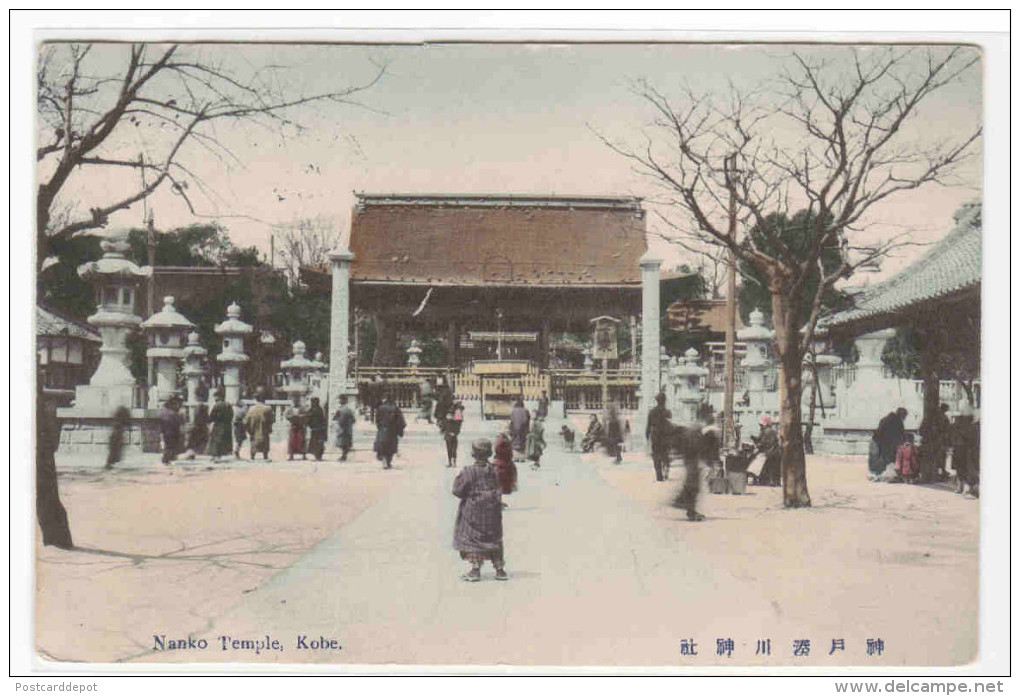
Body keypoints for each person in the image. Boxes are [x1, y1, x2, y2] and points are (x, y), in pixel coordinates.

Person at [452, 438, 508, 582]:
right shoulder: (495, 470)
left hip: (473, 511)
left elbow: (457, 490)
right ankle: (500, 569)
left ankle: (475, 570)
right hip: (492, 509)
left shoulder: (468, 471)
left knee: (472, 538)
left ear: (473, 454)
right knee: (494, 536)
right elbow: (501, 487)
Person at [672, 416, 708, 522]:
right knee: (693, 485)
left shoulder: (693, 430)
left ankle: (686, 506)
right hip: (691, 460)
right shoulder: (695, 431)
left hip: (691, 460)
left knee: (692, 485)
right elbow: (695, 447)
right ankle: (689, 509)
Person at [951, 404, 979, 497]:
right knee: (963, 469)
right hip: (962, 449)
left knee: (967, 469)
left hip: (965, 450)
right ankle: (965, 489)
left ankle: (970, 490)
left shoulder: (970, 427)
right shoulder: (970, 426)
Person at [374, 393, 406, 469]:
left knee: (383, 446)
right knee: (391, 448)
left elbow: (377, 420)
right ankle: (388, 462)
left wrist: (379, 427)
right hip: (392, 431)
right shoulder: (395, 408)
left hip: (383, 429)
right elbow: (401, 421)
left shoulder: (380, 408)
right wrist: (400, 431)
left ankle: (384, 460)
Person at [646, 392, 673, 482]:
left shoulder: (652, 412)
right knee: (665, 454)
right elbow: (671, 424)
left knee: (656, 455)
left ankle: (659, 475)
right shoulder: (667, 412)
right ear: (664, 401)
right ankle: (666, 470)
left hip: (655, 435)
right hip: (665, 435)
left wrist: (647, 435)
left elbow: (649, 425)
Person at [244, 389, 275, 461]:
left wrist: (248, 428)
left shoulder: (251, 409)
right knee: (265, 440)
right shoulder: (267, 408)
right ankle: (265, 456)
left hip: (254, 428)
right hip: (264, 428)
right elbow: (272, 420)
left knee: (254, 441)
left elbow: (246, 420)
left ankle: (252, 456)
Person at [207, 389, 234, 462]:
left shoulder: (217, 405)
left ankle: (215, 456)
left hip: (218, 425)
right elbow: (231, 415)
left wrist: (209, 422)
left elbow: (212, 416)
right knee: (223, 440)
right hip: (227, 425)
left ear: (218, 397)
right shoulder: (228, 405)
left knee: (216, 441)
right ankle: (220, 455)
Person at [755, 416, 781, 486]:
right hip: (776, 452)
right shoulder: (773, 431)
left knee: (760, 463)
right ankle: (775, 481)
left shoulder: (765, 431)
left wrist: (757, 444)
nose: (760, 426)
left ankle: (764, 480)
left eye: (761, 425)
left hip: (769, 452)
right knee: (774, 468)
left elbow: (763, 443)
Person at [159, 396, 185, 465]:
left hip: (166, 431)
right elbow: (178, 423)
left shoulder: (164, 411)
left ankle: (168, 458)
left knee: (168, 445)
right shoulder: (172, 413)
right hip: (172, 432)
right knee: (170, 446)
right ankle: (167, 459)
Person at [493, 431, 518, 500]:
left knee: (497, 486)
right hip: (507, 467)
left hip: (499, 467)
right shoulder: (508, 446)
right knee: (501, 486)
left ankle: (498, 500)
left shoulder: (499, 446)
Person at [332, 395, 356, 461]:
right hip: (347, 428)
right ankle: (344, 455)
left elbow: (335, 418)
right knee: (345, 443)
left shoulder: (340, 409)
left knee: (342, 442)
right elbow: (353, 420)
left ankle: (343, 456)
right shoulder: (348, 409)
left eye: (340, 400)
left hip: (342, 428)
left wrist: (338, 423)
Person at [442, 401, 465, 467]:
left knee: (451, 448)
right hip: (451, 433)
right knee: (452, 448)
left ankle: (451, 462)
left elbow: (457, 424)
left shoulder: (457, 413)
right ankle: (452, 462)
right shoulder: (457, 413)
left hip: (451, 433)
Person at [285, 396, 307, 461]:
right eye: (294, 401)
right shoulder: (290, 409)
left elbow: (305, 415)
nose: (295, 402)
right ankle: (291, 455)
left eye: (297, 401)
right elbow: (286, 415)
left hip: (300, 426)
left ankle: (303, 455)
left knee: (301, 440)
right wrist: (291, 417)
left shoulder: (302, 408)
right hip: (293, 426)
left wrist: (300, 417)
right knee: (292, 441)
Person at [306, 396, 327, 461]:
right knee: (317, 443)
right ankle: (317, 456)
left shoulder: (315, 409)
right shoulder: (318, 409)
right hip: (317, 428)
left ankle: (318, 456)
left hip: (317, 429)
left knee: (317, 443)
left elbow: (309, 417)